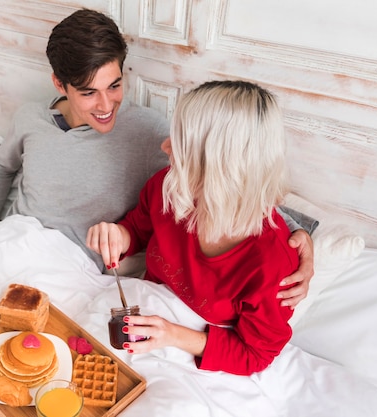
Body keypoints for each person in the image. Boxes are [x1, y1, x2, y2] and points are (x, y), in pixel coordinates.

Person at [0, 8, 314, 307]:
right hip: (14, 241)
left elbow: (229, 178)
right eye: (89, 93)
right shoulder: (30, 118)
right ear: (60, 84)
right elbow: (1, 168)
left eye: (114, 86)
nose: (106, 106)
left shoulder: (152, 132)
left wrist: (301, 233)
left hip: (75, 270)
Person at [86, 80, 300, 375]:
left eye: (181, 141)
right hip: (146, 316)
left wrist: (173, 334)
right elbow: (137, 229)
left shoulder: (273, 262)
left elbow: (254, 355)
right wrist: (115, 236)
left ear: (218, 161)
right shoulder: (167, 186)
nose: (164, 146)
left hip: (202, 355)